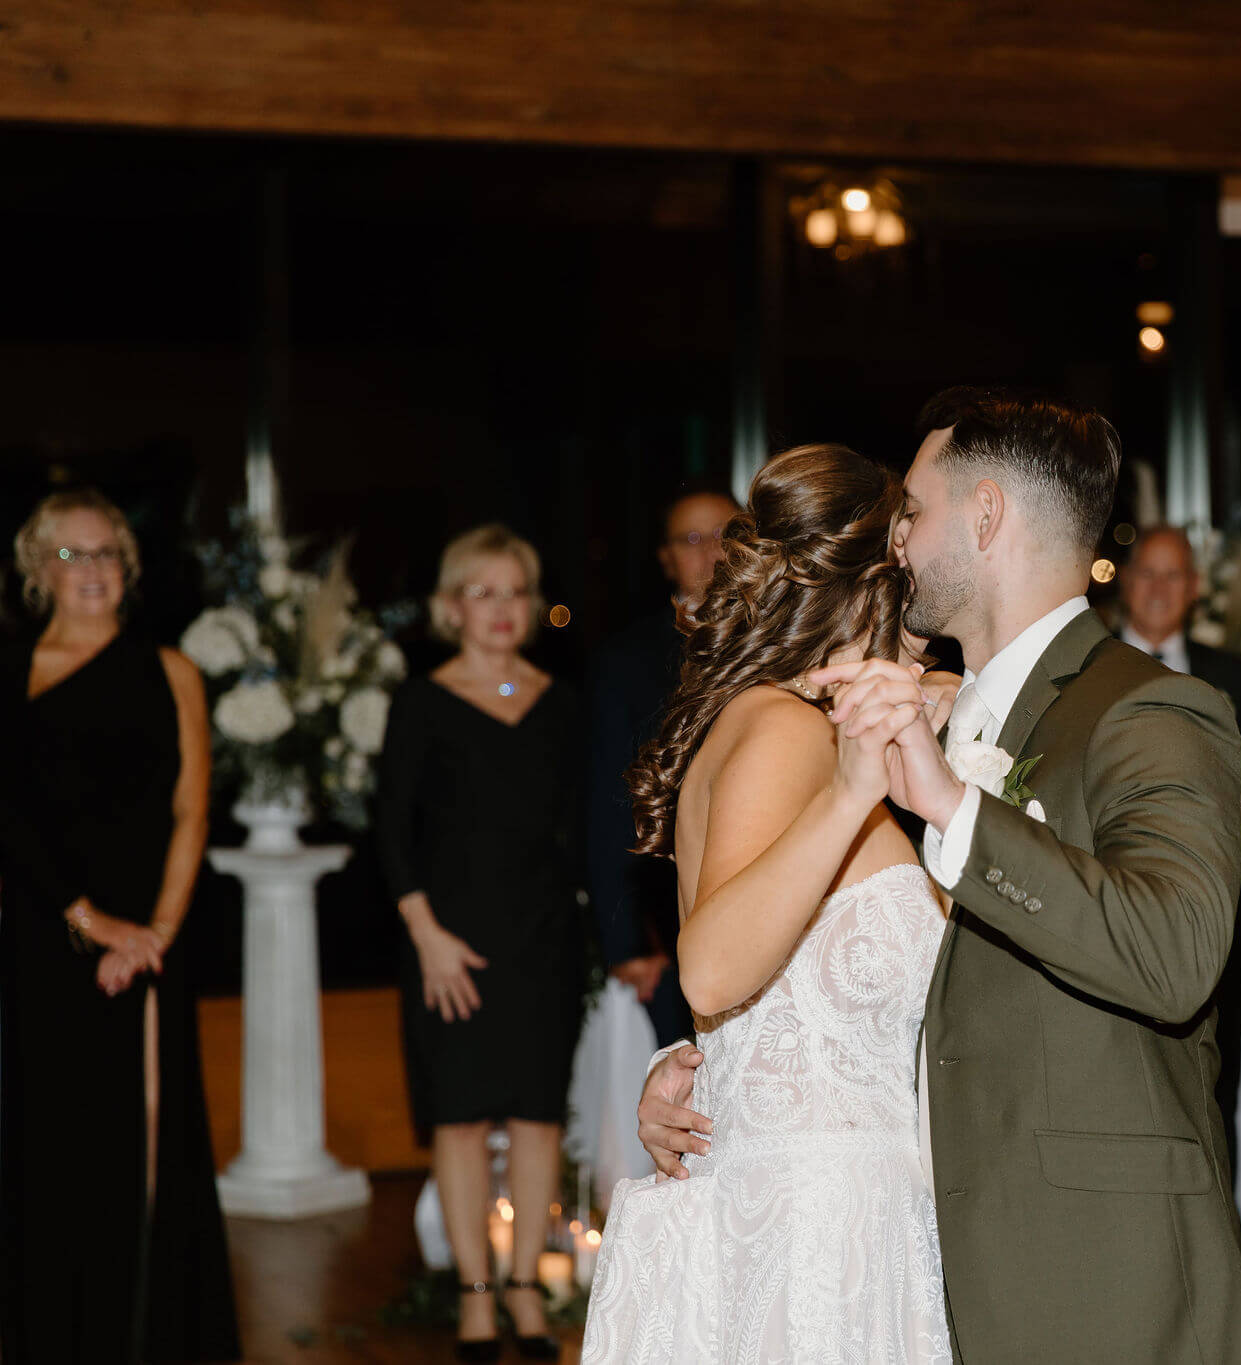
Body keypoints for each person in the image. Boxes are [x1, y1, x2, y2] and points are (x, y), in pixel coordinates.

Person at [632, 388, 1241, 1362]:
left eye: (914, 515)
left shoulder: (1144, 713)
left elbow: (1175, 955)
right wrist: (702, 1070)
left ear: (982, 517)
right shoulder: (888, 727)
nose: (900, 544)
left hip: (1088, 1265)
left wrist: (949, 805)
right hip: (898, 1249)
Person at [579, 444, 951, 1362]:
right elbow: (710, 967)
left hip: (826, 1200)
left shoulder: (776, 721)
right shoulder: (787, 731)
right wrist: (851, 788)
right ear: (871, 583)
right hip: (818, 1226)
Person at [0, 488, 240, 1362]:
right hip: (39, 936)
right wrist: (89, 920)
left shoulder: (170, 669)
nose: (92, 570)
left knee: (142, 1144)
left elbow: (191, 811)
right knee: (47, 1147)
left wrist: (155, 933)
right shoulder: (13, 671)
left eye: (107, 554)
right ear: (38, 569)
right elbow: (11, 821)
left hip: (145, 942)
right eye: (72, 554)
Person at [377, 524, 585, 1361]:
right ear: (452, 605)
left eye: (516, 591)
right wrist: (427, 937)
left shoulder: (563, 705)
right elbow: (390, 834)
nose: (503, 609)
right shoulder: (420, 702)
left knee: (537, 1120)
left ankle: (526, 1291)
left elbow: (583, 837)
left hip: (543, 944)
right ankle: (473, 1296)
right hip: (446, 947)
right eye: (484, 591)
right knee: (458, 1123)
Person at [1119, 522, 1241, 1311]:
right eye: (1146, 572)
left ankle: (1225, 1268)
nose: (1158, 587)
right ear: (1124, 582)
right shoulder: (1089, 666)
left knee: (1222, 1082)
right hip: (1108, 912)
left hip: (1215, 919)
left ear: (1193, 589)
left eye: (1173, 575)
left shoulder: (1235, 677)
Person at [586, 486, 740, 1044]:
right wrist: (624, 941)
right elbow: (609, 800)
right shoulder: (625, 660)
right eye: (692, 539)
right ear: (666, 558)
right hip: (667, 909)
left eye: (727, 534)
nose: (713, 552)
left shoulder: (783, 641)